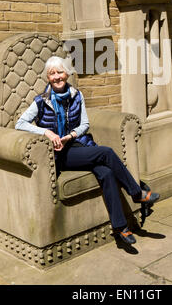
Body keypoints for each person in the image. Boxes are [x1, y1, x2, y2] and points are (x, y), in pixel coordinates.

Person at [15, 56, 159, 245]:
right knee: (106, 152)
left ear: (67, 74)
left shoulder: (77, 95)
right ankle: (136, 192)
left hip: (76, 145)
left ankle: (120, 228)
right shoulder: (41, 101)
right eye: (52, 74)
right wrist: (48, 133)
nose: (57, 77)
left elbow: (84, 124)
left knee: (106, 173)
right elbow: (20, 123)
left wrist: (71, 135)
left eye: (60, 72)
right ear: (48, 78)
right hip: (58, 155)